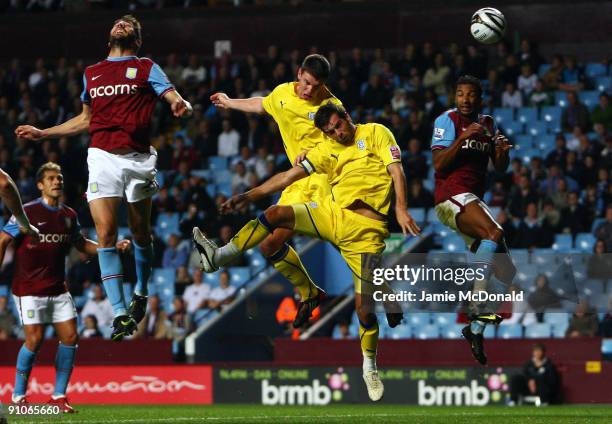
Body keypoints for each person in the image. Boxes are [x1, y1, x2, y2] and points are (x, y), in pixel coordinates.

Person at [193, 103, 420, 401]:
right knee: (275, 214)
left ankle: (369, 367)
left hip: (366, 232)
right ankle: (219, 256)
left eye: (339, 125)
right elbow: (287, 177)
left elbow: (396, 170)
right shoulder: (326, 149)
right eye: (330, 131)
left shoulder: (376, 132)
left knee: (364, 309)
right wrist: (249, 196)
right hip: (332, 214)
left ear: (348, 116)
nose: (338, 133)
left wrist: (401, 209)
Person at [15, 15, 192, 341]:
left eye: (130, 25)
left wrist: (179, 104)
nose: (122, 24)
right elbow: (86, 119)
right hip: (102, 157)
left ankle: (141, 289)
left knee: (140, 231)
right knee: (106, 234)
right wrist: (45, 133)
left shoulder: (145, 66)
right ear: (109, 35)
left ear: (136, 40)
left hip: (138, 159)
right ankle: (121, 313)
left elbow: (172, 95)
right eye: (118, 22)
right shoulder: (92, 73)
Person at [210, 54, 341, 328]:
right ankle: (310, 293)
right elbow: (262, 105)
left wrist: (316, 151)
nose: (308, 90)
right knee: (269, 245)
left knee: (342, 240)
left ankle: (222, 254)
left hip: (324, 181)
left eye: (315, 86)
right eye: (305, 83)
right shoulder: (283, 93)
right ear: (299, 74)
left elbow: (346, 138)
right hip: (297, 181)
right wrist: (230, 101)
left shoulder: (331, 106)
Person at [0, 162, 129, 412]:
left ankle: (59, 396)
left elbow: (81, 245)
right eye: (50, 178)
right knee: (34, 340)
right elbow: (4, 239)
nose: (57, 181)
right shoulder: (26, 212)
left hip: (58, 288)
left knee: (70, 337)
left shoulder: (69, 216)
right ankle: (18, 397)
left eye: (59, 177)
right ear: (40, 185)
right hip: (28, 288)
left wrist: (109, 248)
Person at [431, 75, 516, 365]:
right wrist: (463, 138)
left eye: (470, 95)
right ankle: (477, 300)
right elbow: (439, 164)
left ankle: (475, 329)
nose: (465, 99)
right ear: (455, 97)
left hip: (472, 201)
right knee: (494, 232)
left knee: (507, 272)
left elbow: (500, 167)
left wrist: (502, 152)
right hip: (450, 197)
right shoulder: (447, 121)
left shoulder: (488, 123)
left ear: (479, 98)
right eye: (460, 94)